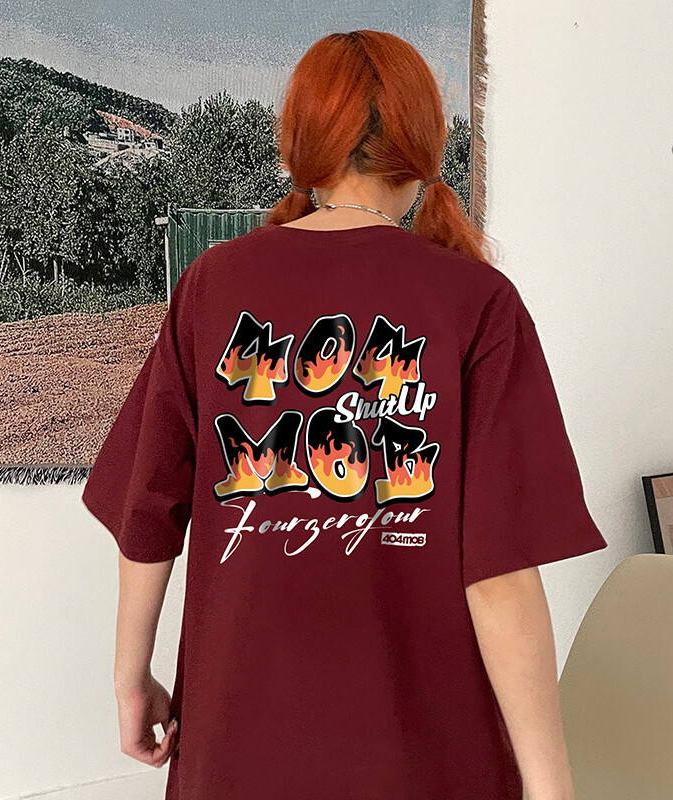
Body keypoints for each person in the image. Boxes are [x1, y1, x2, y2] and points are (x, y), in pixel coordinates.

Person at [81, 29, 608, 800]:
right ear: (423, 143)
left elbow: (148, 506)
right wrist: (552, 784)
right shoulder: (475, 300)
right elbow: (498, 576)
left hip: (237, 743)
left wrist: (131, 679)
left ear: (301, 144)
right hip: (425, 755)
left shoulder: (213, 283)